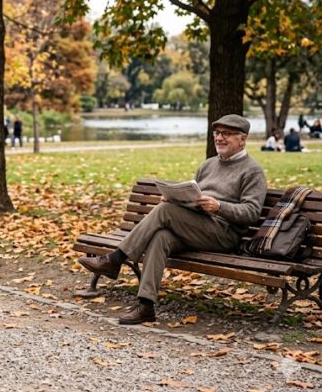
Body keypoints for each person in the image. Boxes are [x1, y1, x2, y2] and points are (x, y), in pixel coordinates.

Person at [77, 114, 266, 324]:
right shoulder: (209, 165)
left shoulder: (252, 171)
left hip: (224, 235)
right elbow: (195, 197)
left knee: (164, 211)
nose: (220, 138)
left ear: (242, 139)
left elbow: (252, 212)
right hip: (198, 227)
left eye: (227, 134)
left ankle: (114, 260)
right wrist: (176, 198)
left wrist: (219, 206)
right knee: (161, 236)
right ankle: (146, 306)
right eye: (217, 133)